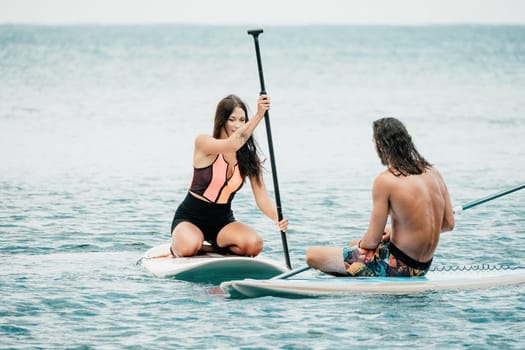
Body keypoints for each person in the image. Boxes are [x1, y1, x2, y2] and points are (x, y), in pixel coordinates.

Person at [306, 117, 455, 277]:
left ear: (381, 145)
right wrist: (400, 231)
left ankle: (363, 276)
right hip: (422, 267)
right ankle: (358, 272)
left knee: (313, 255)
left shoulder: (385, 180)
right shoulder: (433, 172)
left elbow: (373, 240)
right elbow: (448, 224)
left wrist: (361, 246)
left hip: (398, 267)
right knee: (352, 245)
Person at [170, 94, 288, 258]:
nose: (237, 125)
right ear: (221, 121)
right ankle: (189, 244)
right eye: (232, 119)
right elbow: (233, 143)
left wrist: (277, 218)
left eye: (242, 120)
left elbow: (262, 198)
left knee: (254, 245)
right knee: (188, 248)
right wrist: (259, 115)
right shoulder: (204, 143)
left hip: (222, 221)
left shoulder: (249, 159)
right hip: (191, 217)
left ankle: (211, 248)